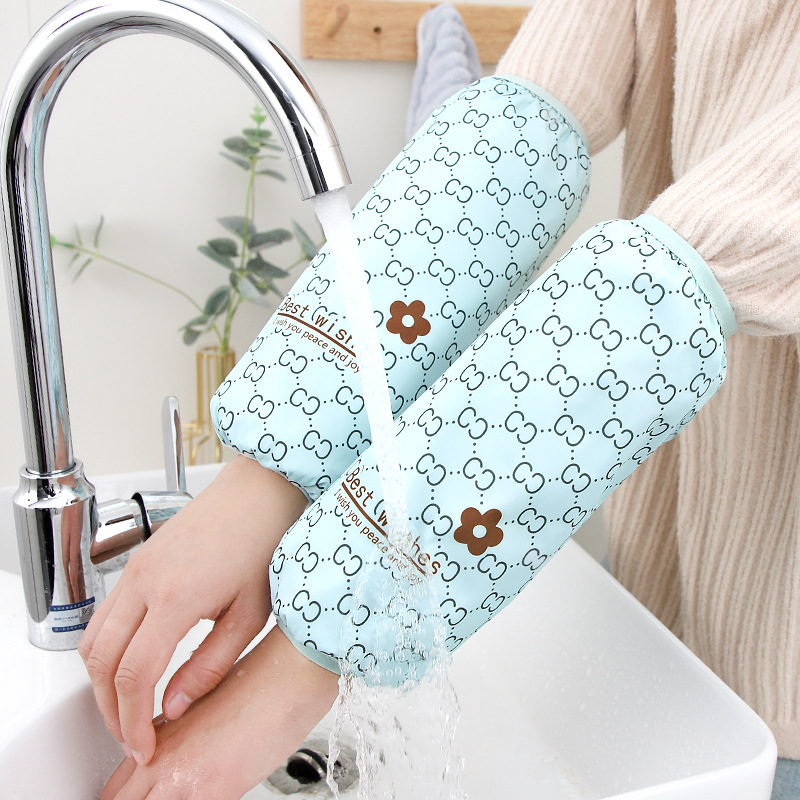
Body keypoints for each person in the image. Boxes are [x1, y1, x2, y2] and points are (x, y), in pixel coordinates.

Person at [78, 2, 800, 798]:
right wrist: (265, 477)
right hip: (657, 603)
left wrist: (313, 653)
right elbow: (519, 130)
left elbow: (680, 279)